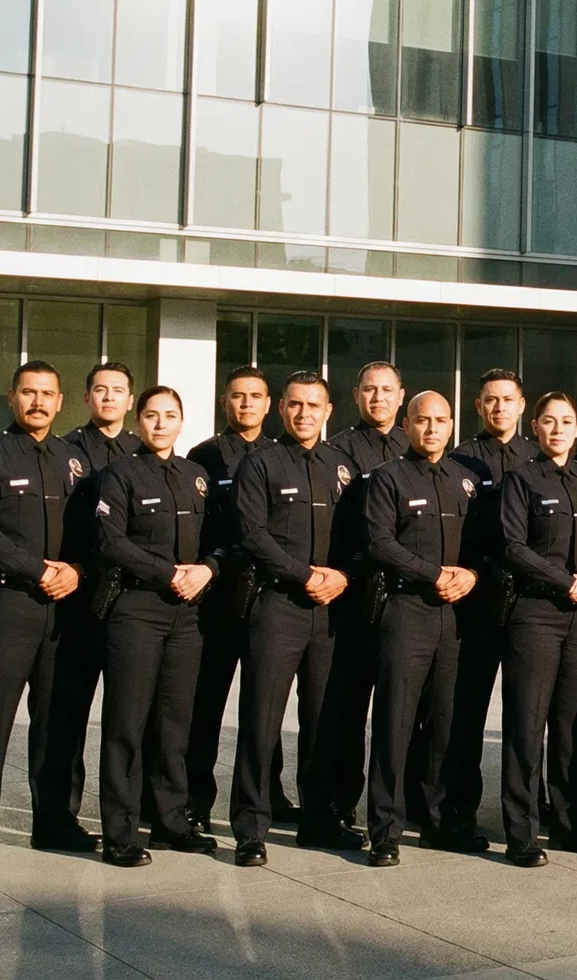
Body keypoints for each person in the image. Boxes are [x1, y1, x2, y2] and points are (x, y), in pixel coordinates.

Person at [0, 361, 93, 870]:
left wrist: (75, 570)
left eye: (47, 394)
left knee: (59, 718)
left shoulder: (74, 461)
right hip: (9, 604)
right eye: (28, 392)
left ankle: (54, 821)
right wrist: (38, 569)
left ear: (59, 402)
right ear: (12, 398)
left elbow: (93, 531)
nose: (37, 402)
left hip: (65, 608)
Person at [229, 371, 363, 866]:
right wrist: (303, 574)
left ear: (329, 412)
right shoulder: (259, 464)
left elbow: (360, 537)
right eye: (295, 405)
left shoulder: (342, 468)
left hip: (330, 611)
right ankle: (250, 827)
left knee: (323, 719)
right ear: (281, 409)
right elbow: (251, 533)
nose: (304, 413)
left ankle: (318, 820)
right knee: (261, 719)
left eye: (314, 406)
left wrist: (343, 577)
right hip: (278, 605)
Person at [95, 385, 221, 866]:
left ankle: (171, 820)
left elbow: (219, 537)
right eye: (151, 415)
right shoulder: (119, 475)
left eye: (170, 415)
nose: (160, 423)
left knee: (175, 723)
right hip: (137, 610)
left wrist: (207, 568)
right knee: (127, 722)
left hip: (188, 615)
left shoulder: (196, 477)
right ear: (138, 421)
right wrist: (166, 572)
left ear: (182, 422)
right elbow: (111, 541)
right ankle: (121, 832)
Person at [362, 391, 477, 867]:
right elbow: (379, 542)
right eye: (422, 420)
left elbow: (487, 542)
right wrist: (434, 574)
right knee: (396, 720)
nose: (431, 428)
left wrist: (469, 574)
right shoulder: (387, 478)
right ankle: (385, 830)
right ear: (406, 425)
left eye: (440, 420)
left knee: (446, 723)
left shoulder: (465, 481)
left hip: (454, 616)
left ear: (451, 425)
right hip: (407, 610)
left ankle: (438, 823)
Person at [497, 393, 577, 866]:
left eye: (566, 421)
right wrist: (566, 581)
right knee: (527, 724)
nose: (558, 429)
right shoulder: (520, 480)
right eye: (549, 421)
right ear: (536, 428)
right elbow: (513, 547)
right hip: (535, 615)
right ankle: (522, 831)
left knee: (570, 726)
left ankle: (567, 822)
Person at [184, 366, 293, 831]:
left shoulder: (280, 455)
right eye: (237, 396)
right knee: (205, 702)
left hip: (268, 596)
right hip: (218, 595)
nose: (246, 404)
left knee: (265, 703)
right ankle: (195, 797)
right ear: (224, 402)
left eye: (255, 396)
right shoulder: (203, 456)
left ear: (271, 405)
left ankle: (271, 791)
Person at [438, 369, 538, 850]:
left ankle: (529, 817)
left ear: (522, 406)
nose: (499, 408)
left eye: (508, 400)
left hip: (532, 609)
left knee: (528, 719)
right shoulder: (459, 460)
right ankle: (456, 815)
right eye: (490, 400)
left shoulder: (539, 458)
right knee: (463, 718)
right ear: (478, 407)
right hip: (474, 606)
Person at [46, 361, 145, 845]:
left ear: (131, 401)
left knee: (131, 714)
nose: (109, 398)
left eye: (119, 391)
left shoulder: (142, 450)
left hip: (135, 602)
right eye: (100, 390)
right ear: (86, 399)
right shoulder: (65, 451)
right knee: (65, 713)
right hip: (81, 598)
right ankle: (57, 817)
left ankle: (134, 810)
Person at [326, 361, 409, 829]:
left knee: (404, 712)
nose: (378, 398)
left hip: (408, 601)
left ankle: (406, 800)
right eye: (369, 390)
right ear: (357, 395)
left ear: (402, 396)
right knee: (347, 708)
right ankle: (341, 803)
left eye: (387, 390)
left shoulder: (416, 446)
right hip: (354, 596)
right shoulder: (338, 450)